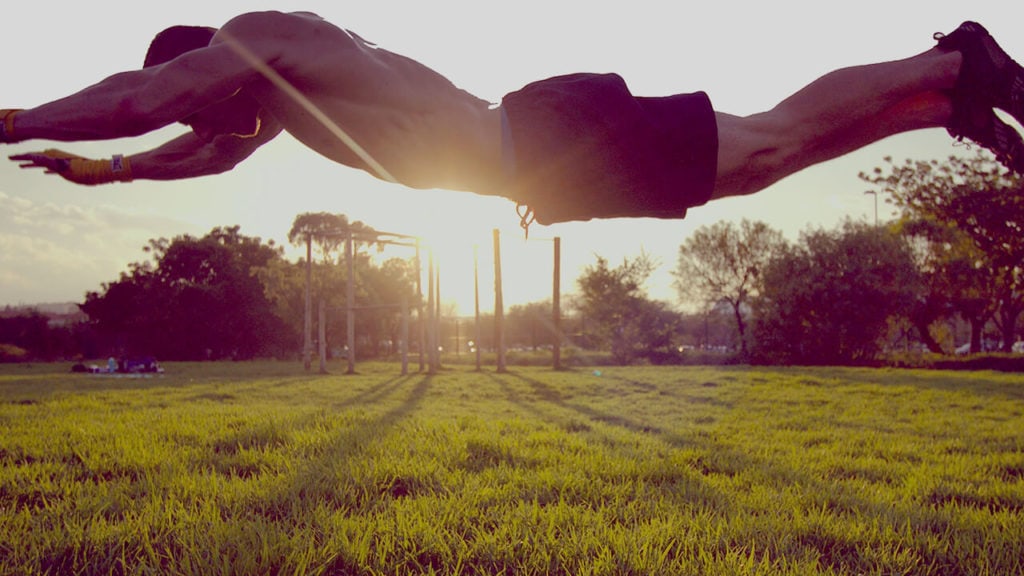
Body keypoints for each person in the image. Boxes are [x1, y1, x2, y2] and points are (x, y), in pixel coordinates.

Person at [3, 12, 1023, 232]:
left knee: (763, 137)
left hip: (540, 139)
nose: (218, 124)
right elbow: (203, 156)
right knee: (758, 168)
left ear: (203, 68)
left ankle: (951, 61)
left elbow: (142, 104)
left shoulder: (263, 39)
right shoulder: (271, 102)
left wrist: (12, 123)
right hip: (540, 168)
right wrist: (116, 175)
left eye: (204, 98)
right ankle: (942, 108)